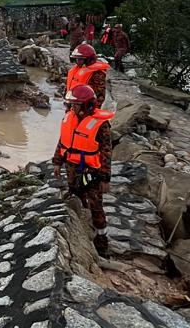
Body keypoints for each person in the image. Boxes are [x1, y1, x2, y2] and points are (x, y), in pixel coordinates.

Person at [52, 84, 114, 257]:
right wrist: (57, 162)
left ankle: (102, 244)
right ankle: (81, 229)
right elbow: (62, 141)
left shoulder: (101, 125)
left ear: (88, 104)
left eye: (77, 104)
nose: (73, 107)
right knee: (75, 195)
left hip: (92, 171)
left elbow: (106, 152)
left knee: (96, 205)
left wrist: (105, 178)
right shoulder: (68, 118)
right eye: (72, 104)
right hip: (71, 167)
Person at [66, 43, 110, 107]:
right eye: (76, 59)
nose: (77, 61)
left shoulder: (97, 74)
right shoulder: (75, 70)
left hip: (85, 107)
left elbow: (100, 96)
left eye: (80, 59)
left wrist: (90, 109)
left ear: (89, 60)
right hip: (74, 106)